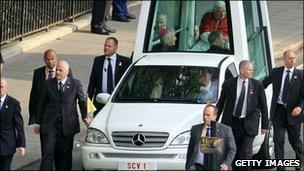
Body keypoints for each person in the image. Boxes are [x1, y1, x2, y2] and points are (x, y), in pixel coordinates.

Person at [34, 60, 90, 170]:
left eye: (61, 70)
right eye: (57, 70)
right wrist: (38, 122)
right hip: (50, 124)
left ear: (67, 72)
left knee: (64, 155)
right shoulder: (48, 84)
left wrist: (85, 117)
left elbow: (82, 101)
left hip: (67, 124)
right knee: (47, 153)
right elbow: (41, 103)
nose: (58, 72)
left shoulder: (75, 84)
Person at [216, 60, 269, 169]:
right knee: (233, 152)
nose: (252, 72)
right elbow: (221, 103)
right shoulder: (229, 84)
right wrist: (214, 121)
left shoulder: (257, 85)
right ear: (242, 70)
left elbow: (263, 106)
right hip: (232, 123)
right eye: (250, 70)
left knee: (245, 153)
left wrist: (265, 125)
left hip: (249, 124)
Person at [262, 50, 304, 171]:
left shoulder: (300, 75)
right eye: (290, 58)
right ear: (284, 59)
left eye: (294, 58)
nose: (293, 60)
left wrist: (300, 107)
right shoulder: (276, 72)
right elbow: (263, 84)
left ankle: (299, 159)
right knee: (278, 140)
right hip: (278, 111)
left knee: (294, 141)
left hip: (293, 113)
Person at [88, 37, 131, 116]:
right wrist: (88, 103)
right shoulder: (98, 61)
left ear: (116, 47)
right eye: (105, 45)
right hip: (101, 101)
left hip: (117, 101)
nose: (106, 48)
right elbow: (92, 82)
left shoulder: (125, 61)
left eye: (109, 46)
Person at [186, 104, 236, 170]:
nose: (205, 117)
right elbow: (190, 149)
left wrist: (226, 164)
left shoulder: (225, 130)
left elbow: (232, 149)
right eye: (204, 114)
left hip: (218, 168)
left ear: (215, 116)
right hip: (197, 167)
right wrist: (188, 166)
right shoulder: (195, 129)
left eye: (208, 115)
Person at [0, 78, 26, 170]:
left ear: (6, 88)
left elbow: (19, 126)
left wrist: (22, 144)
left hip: (7, 144)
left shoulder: (13, 103)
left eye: (1, 87)